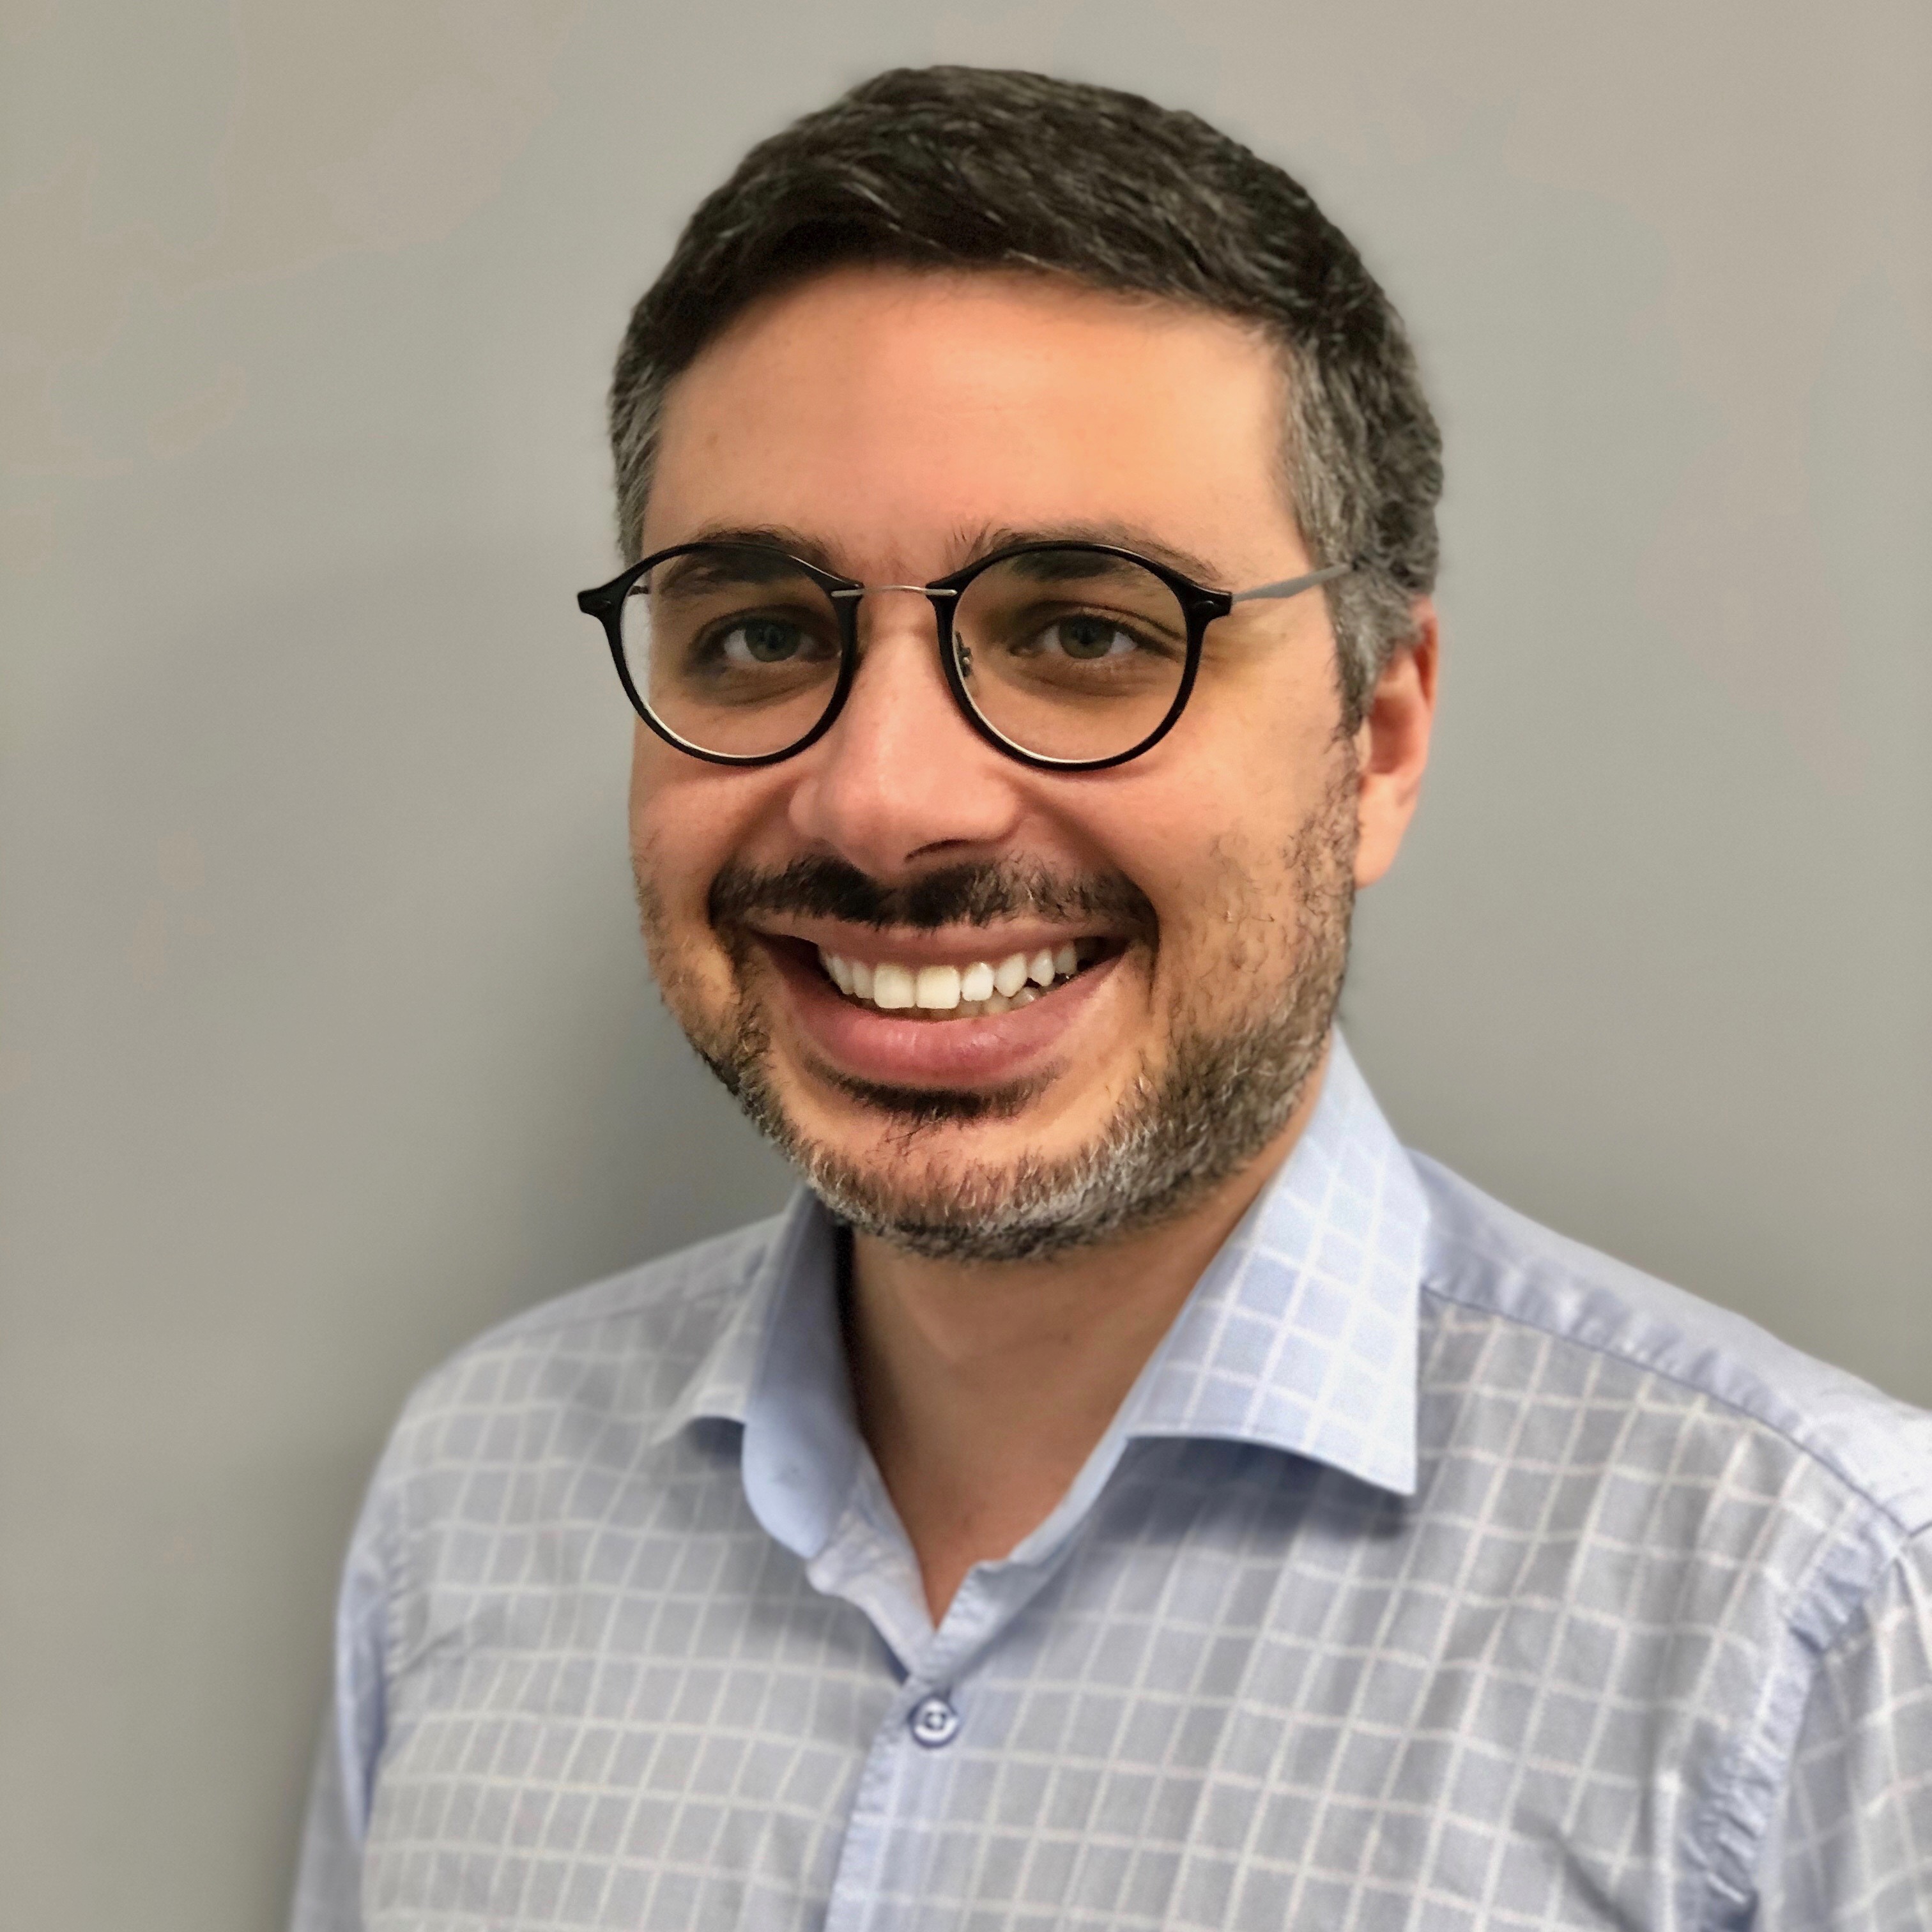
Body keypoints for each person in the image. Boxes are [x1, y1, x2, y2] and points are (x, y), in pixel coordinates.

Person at [291, 66, 1932, 1931]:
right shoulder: (475, 1495)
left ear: (1378, 741)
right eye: (758, 633)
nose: (884, 802)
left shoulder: (1816, 1620)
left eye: (1086, 632)